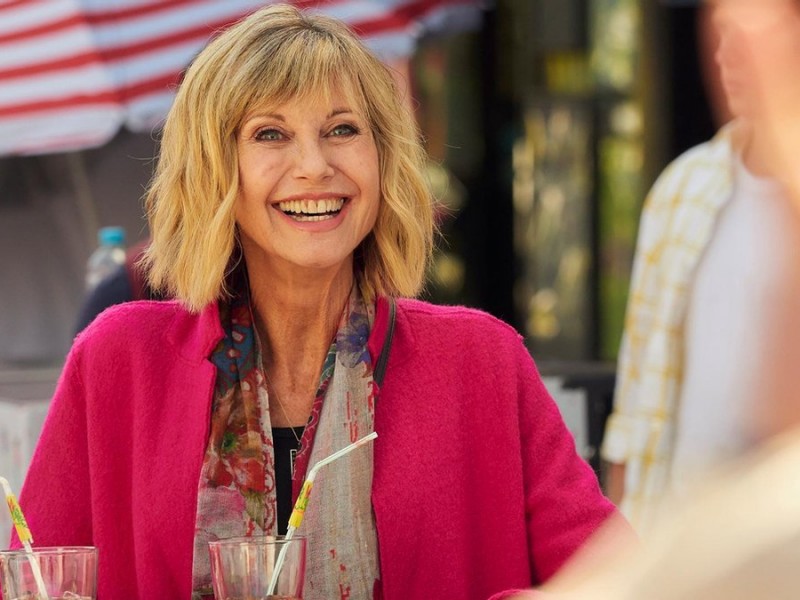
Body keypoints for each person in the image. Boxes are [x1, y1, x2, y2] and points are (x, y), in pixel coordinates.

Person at [10, 5, 624, 599]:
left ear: (383, 157)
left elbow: (621, 579)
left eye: (342, 130)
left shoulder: (479, 359)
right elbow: (37, 579)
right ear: (213, 168)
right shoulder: (119, 360)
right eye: (270, 134)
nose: (314, 166)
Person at [600, 0, 800, 535]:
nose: (727, 54)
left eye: (754, 34)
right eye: (722, 33)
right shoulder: (683, 187)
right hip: (679, 542)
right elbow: (635, 405)